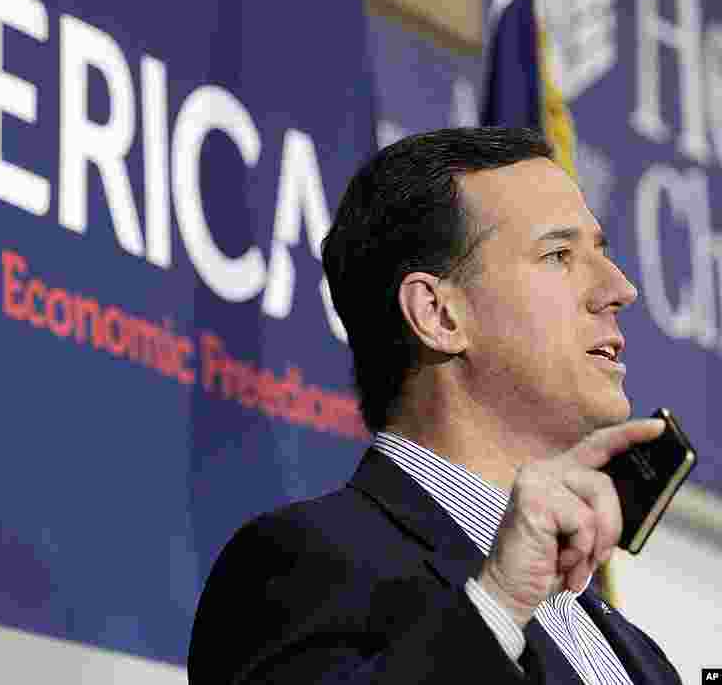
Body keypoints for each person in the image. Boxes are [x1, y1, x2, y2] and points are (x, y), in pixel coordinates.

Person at [188, 127, 681, 684]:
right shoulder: (297, 565)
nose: (619, 288)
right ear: (439, 315)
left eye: (601, 252)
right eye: (559, 254)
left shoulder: (640, 655)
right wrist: (497, 606)